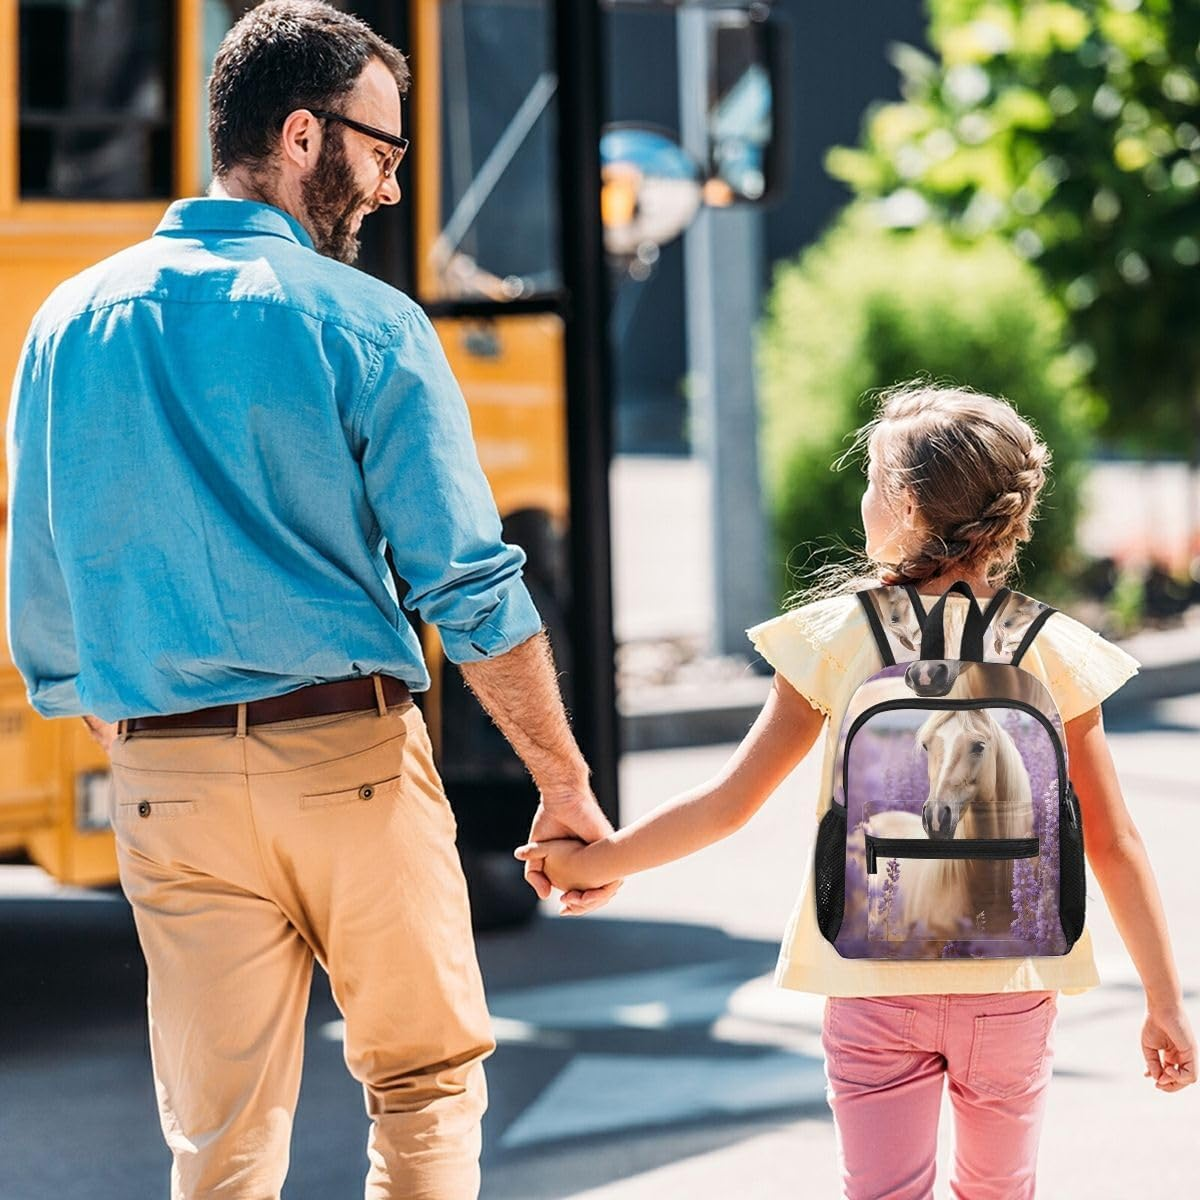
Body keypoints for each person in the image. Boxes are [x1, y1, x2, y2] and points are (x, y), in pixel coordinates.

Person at [5, 3, 617, 1197]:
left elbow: (43, 571)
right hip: (346, 761)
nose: (389, 187)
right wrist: (561, 783)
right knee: (425, 1085)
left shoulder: (66, 322)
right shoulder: (367, 323)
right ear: (301, 134)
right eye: (382, 151)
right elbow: (469, 584)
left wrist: (130, 726)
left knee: (219, 1138)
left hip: (164, 783)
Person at [518, 384, 1196, 1199]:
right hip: (1011, 991)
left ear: (906, 505)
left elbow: (730, 801)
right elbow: (1114, 842)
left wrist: (594, 862)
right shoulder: (1049, 649)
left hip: (872, 984)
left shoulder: (840, 636)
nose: (865, 498)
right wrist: (1163, 1002)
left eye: (874, 482)